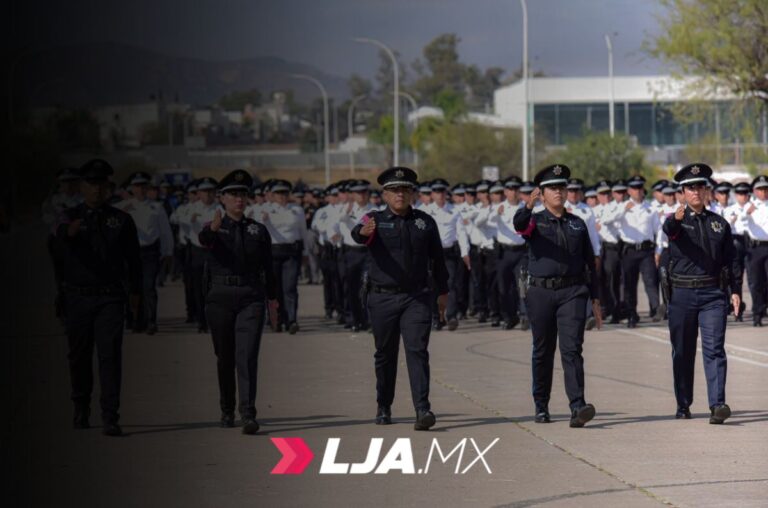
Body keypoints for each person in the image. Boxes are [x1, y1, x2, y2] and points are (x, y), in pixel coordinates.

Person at [351, 166, 449, 430]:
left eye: (405, 189)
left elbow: (438, 260)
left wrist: (443, 293)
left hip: (416, 297)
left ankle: (422, 409)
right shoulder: (373, 219)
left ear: (412, 193)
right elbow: (356, 234)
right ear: (384, 194)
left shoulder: (424, 222)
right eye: (394, 190)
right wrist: (363, 233)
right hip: (382, 298)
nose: (400, 194)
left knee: (417, 351)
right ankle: (384, 405)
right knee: (385, 354)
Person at [52, 159, 142, 436]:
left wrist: (136, 296)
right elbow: (56, 250)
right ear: (82, 187)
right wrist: (68, 235)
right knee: (78, 357)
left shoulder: (121, 220)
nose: (97, 190)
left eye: (102, 184)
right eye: (91, 184)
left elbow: (134, 262)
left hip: (110, 298)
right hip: (78, 297)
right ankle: (81, 407)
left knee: (109, 355)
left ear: (109, 187)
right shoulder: (68, 217)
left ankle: (110, 415)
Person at [513, 164, 601, 428]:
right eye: (553, 188)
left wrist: (595, 298)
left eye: (562, 187)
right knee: (543, 350)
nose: (559, 192)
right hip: (540, 292)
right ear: (542, 192)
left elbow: (589, 262)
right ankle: (541, 405)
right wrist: (527, 206)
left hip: (572, 292)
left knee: (572, 349)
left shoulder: (577, 223)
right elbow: (519, 227)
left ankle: (577, 406)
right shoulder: (534, 221)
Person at [199, 169, 279, 434]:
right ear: (222, 198)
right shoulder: (212, 228)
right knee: (225, 357)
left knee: (247, 356)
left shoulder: (257, 230)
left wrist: (274, 300)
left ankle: (248, 413)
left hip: (250, 298)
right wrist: (212, 231)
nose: (239, 199)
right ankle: (226, 409)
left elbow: (269, 267)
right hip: (220, 298)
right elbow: (204, 241)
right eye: (233, 194)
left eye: (243, 194)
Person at [662, 163, 741, 423]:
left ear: (706, 191)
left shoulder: (719, 224)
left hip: (712, 295)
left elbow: (731, 259)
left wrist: (736, 290)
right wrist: (676, 218)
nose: (696, 191)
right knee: (682, 351)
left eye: (700, 186)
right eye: (690, 187)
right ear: (682, 192)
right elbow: (669, 230)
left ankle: (717, 404)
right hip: (682, 294)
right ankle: (683, 403)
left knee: (715, 349)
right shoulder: (676, 221)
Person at [116, 171, 174, 335]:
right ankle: (136, 320)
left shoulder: (156, 207)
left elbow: (165, 231)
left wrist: (168, 251)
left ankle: (151, 321)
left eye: (143, 186)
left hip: (150, 252)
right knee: (133, 288)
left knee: (149, 287)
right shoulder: (122, 206)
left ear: (147, 188)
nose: (140, 190)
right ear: (131, 189)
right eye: (137, 186)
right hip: (130, 252)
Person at [260, 179, 308, 334]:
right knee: (275, 289)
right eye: (278, 193)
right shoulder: (264, 209)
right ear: (272, 195)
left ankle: (292, 320)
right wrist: (264, 219)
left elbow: (303, 231)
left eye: (284, 193)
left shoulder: (297, 210)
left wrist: (306, 251)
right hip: (272, 252)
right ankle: (277, 320)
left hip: (291, 253)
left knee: (290, 287)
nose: (281, 196)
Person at [744, 175, 768, 327]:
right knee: (756, 282)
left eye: (766, 189)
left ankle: (763, 307)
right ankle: (757, 314)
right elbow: (739, 224)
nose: (764, 192)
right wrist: (747, 213)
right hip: (755, 248)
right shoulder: (748, 206)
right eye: (760, 189)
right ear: (754, 191)